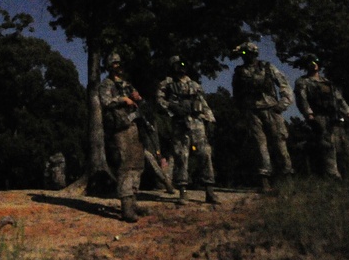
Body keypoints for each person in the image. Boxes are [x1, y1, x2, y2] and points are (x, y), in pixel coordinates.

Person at [230, 41, 295, 192]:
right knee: (260, 146)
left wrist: (283, 104)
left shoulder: (267, 67)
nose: (245, 57)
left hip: (272, 109)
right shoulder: (240, 72)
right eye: (244, 54)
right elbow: (236, 94)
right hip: (252, 111)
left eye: (248, 53)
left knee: (280, 143)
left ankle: (287, 179)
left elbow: (284, 85)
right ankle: (264, 181)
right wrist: (242, 111)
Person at [156, 55, 218, 206]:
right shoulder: (167, 84)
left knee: (205, 154)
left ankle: (209, 190)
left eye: (183, 64)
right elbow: (159, 100)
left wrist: (210, 119)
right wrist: (171, 107)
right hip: (179, 123)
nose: (181, 67)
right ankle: (183, 191)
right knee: (181, 156)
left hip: (197, 122)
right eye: (177, 65)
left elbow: (202, 102)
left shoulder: (194, 84)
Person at [99, 52, 147, 222]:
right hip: (119, 129)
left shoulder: (127, 84)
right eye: (115, 63)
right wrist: (123, 99)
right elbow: (106, 102)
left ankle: (133, 201)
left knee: (138, 164)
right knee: (125, 164)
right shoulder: (106, 84)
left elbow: (137, 99)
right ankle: (126, 207)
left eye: (119, 63)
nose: (118, 66)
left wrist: (136, 97)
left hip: (133, 125)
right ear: (109, 66)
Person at [294, 54, 349, 181]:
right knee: (327, 146)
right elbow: (302, 100)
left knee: (344, 147)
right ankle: (333, 177)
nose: (313, 64)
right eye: (310, 62)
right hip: (319, 116)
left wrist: (348, 113)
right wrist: (310, 116)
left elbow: (339, 99)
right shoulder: (303, 82)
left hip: (335, 116)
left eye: (316, 61)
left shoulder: (327, 83)